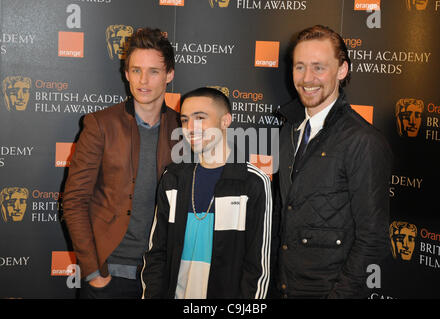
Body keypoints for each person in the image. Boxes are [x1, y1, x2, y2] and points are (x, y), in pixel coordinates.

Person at [273, 25, 392, 298]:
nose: (307, 78)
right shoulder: (289, 130)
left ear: (342, 71)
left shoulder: (363, 141)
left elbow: (373, 240)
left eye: (319, 67)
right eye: (299, 67)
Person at [63, 27, 179, 299]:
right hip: (109, 275)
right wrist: (93, 273)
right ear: (126, 74)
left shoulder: (183, 128)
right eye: (136, 70)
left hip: (161, 276)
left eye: (154, 71)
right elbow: (75, 199)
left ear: (169, 75)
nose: (143, 80)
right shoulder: (100, 125)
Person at [141, 87, 272, 299]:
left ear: (225, 121)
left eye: (200, 118)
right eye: (184, 120)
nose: (191, 128)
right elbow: (157, 254)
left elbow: (258, 267)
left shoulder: (253, 182)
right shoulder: (172, 178)